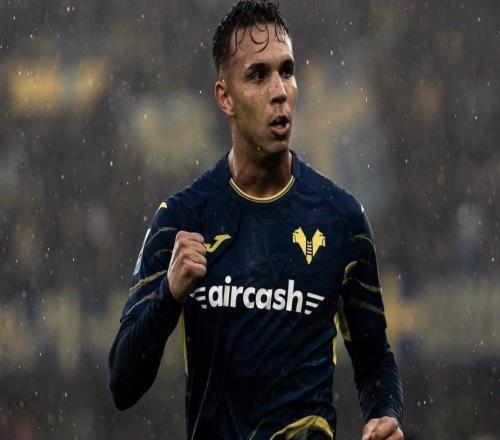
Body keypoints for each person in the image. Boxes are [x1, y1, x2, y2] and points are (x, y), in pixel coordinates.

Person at [108, 1, 404, 439]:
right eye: (259, 75)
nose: (279, 90)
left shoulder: (341, 218)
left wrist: (385, 413)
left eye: (287, 71)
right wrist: (168, 296)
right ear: (225, 97)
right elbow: (122, 383)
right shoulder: (183, 218)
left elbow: (374, 357)